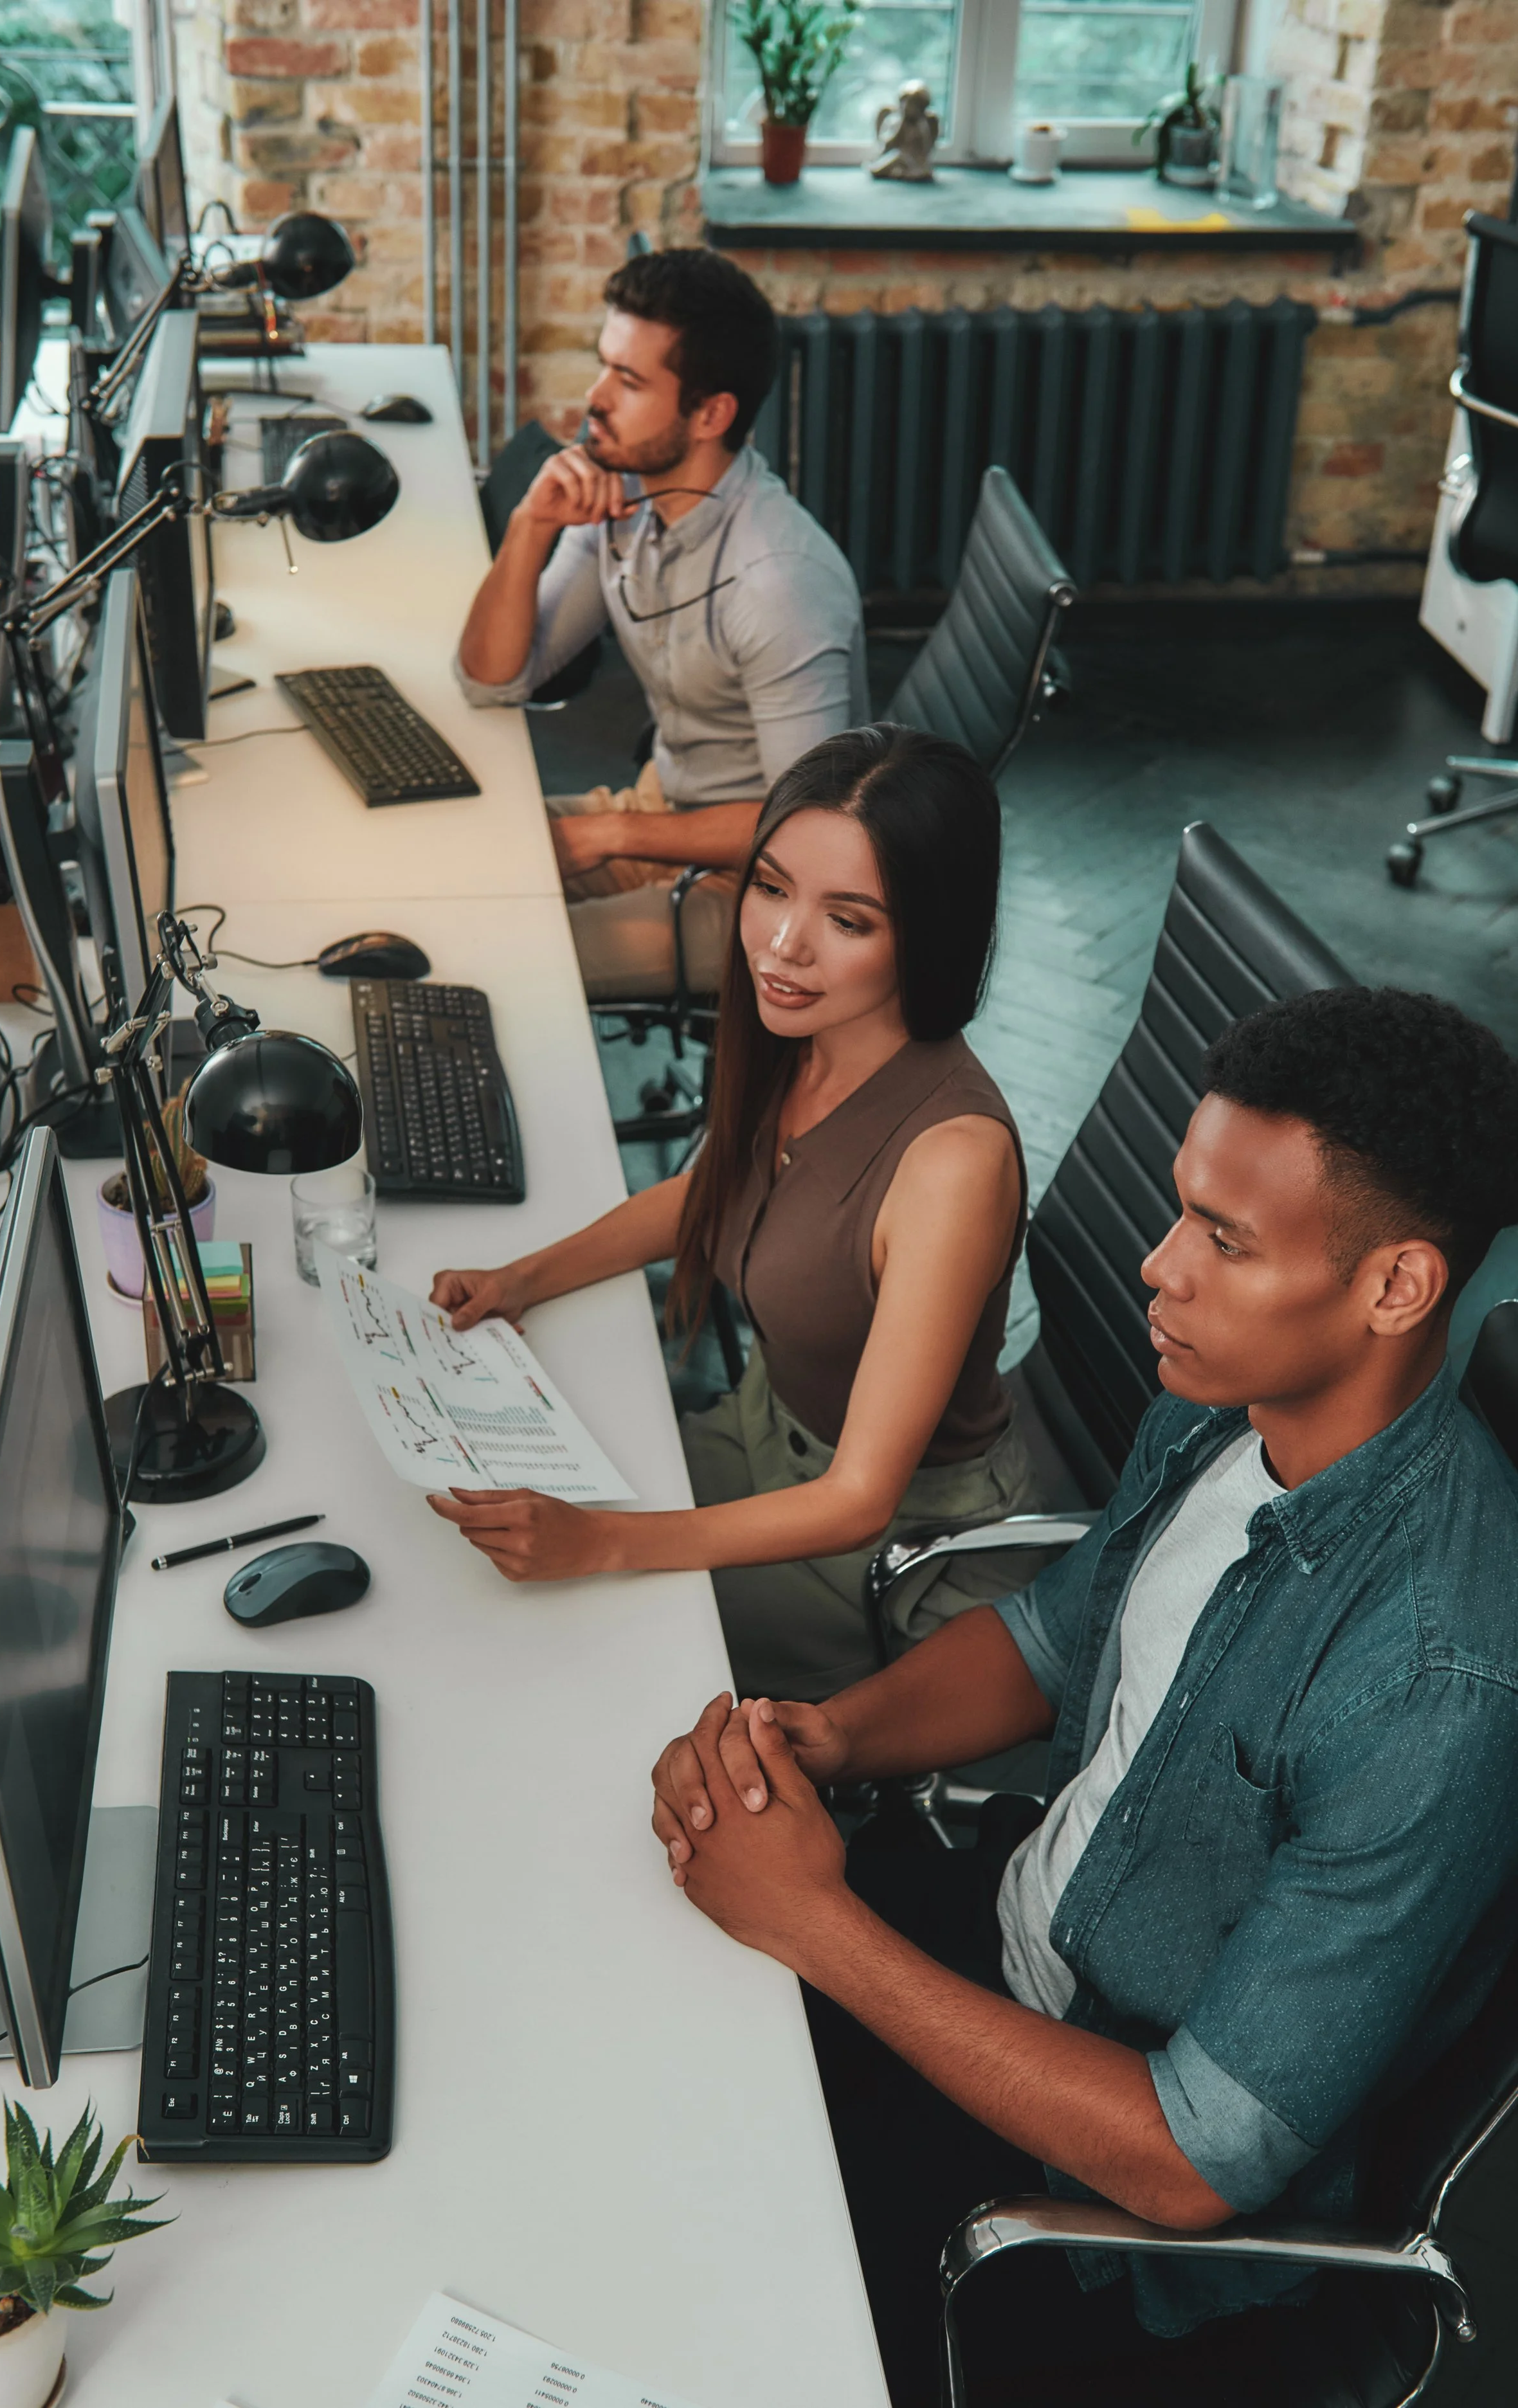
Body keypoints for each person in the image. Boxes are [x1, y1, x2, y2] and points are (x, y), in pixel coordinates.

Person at [647, 984, 1518, 2406]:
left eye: (1222, 1241)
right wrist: (833, 1738)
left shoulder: (1432, 1684)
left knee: (695, 2277)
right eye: (1180, 1211)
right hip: (1023, 1933)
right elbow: (1057, 1636)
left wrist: (809, 1919)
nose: (1154, 1267)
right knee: (643, 2005)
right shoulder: (1220, 1407)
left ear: (1393, 1287)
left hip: (1100, 2215)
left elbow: (1191, 2157)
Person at [425, 723, 1040, 1699]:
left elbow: (857, 1499)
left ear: (931, 932)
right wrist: (522, 1279)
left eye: (849, 919)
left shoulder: (952, 1162)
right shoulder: (810, 1034)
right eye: (769, 887)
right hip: (762, 1441)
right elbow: (715, 1193)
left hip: (884, 1555)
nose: (782, 944)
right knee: (471, 1547)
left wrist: (606, 1544)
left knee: (568, 1639)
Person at [455, 249, 867, 1004]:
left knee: (500, 954)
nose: (594, 398)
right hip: (668, 812)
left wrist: (606, 837)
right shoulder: (624, 496)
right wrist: (528, 524)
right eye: (604, 366)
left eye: (630, 380)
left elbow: (803, 837)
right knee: (448, 861)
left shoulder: (777, 582)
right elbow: (492, 679)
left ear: (711, 415)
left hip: (769, 897)